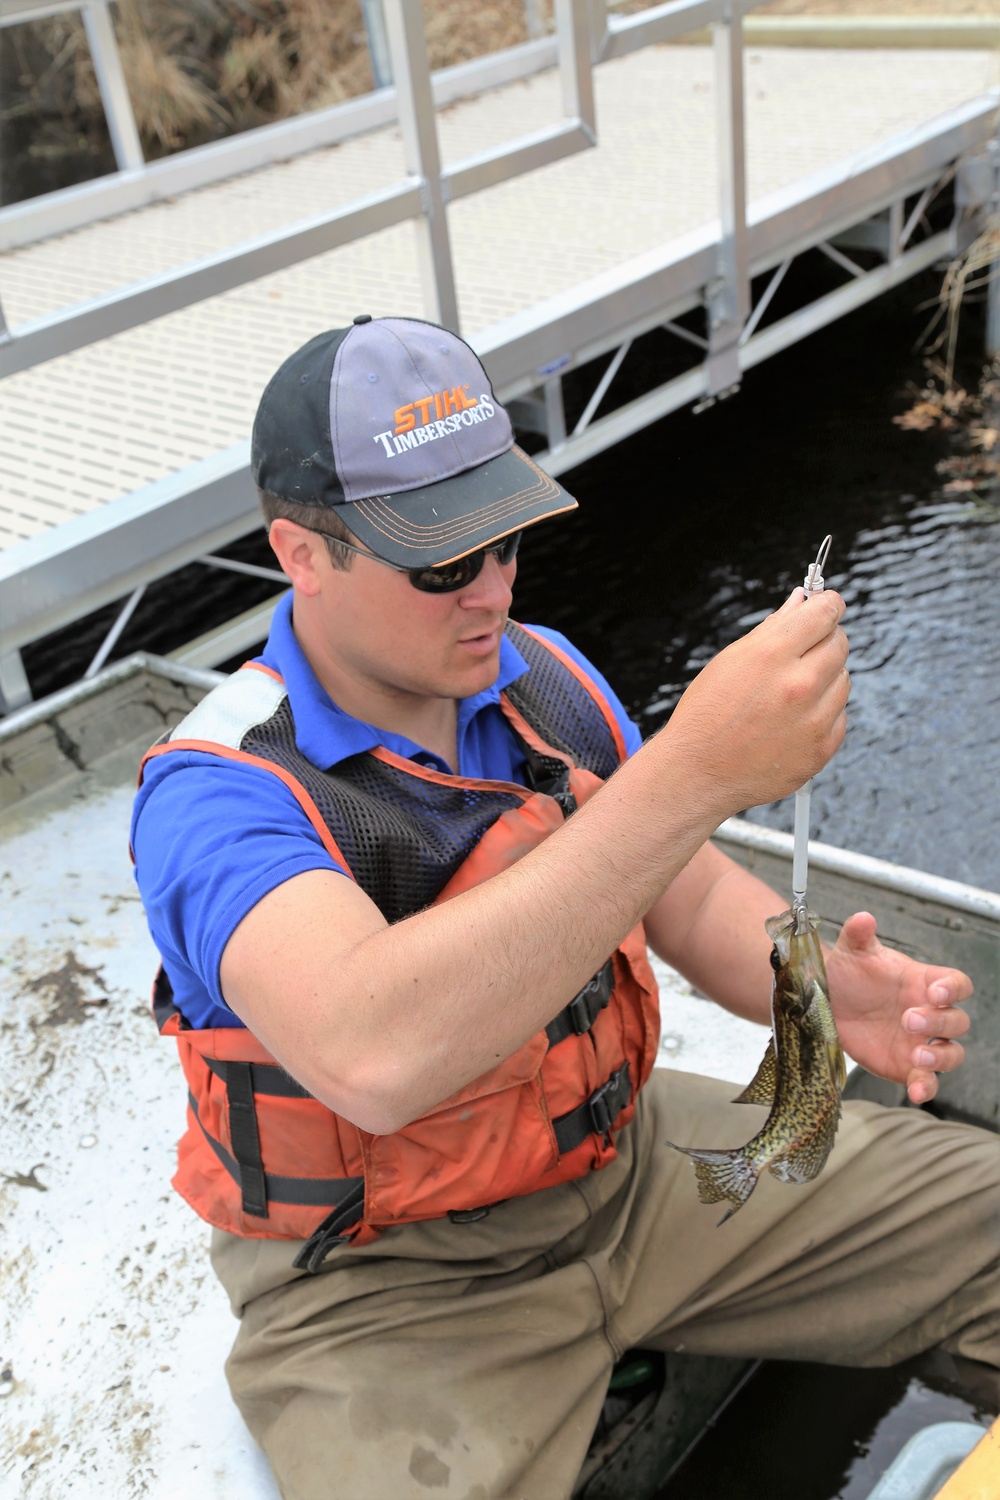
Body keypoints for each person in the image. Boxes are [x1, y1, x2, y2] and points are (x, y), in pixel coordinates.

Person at [131, 315, 998, 1500]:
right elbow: (370, 1048)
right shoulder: (218, 792)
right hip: (389, 1285)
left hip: (626, 1167)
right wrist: (696, 767)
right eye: (440, 561)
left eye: (506, 540)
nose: (489, 591)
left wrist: (823, 997)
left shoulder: (540, 675)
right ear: (302, 552)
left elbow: (681, 886)